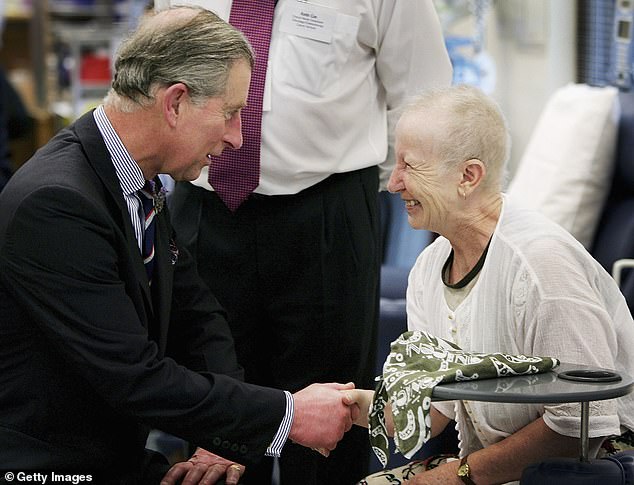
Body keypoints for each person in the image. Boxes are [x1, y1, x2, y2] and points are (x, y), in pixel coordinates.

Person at [0, 7, 360, 484]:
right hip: (46, 468)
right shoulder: (58, 204)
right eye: (231, 113)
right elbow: (134, 376)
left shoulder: (131, 176)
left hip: (112, 455)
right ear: (175, 103)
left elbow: (198, 315)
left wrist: (220, 434)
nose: (236, 138)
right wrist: (287, 414)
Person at [163, 1, 453, 483]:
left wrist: (353, 182)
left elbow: (423, 96)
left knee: (331, 418)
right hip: (202, 206)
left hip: (326, 213)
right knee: (210, 415)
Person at [347, 84, 634, 485]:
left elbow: (581, 428)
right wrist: (346, 406)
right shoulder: (429, 268)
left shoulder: (543, 266)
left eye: (409, 166)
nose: (393, 183)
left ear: (468, 176)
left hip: (587, 470)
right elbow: (436, 408)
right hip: (497, 468)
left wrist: (455, 477)